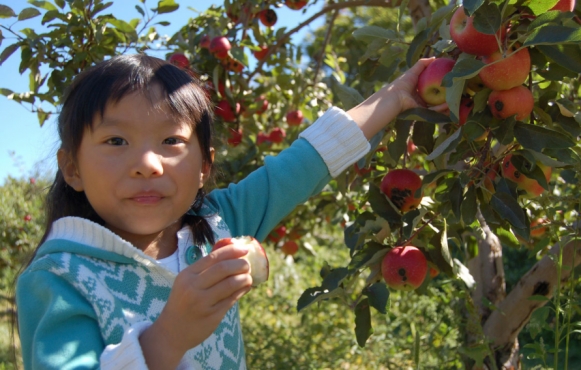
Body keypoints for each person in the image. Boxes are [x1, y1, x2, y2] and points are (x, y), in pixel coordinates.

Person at [15, 54, 440, 369]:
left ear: (203, 168)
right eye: (115, 141)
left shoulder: (218, 225)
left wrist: (396, 97)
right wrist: (168, 337)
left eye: (171, 141)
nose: (148, 163)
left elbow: (308, 162)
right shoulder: (59, 277)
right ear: (72, 168)